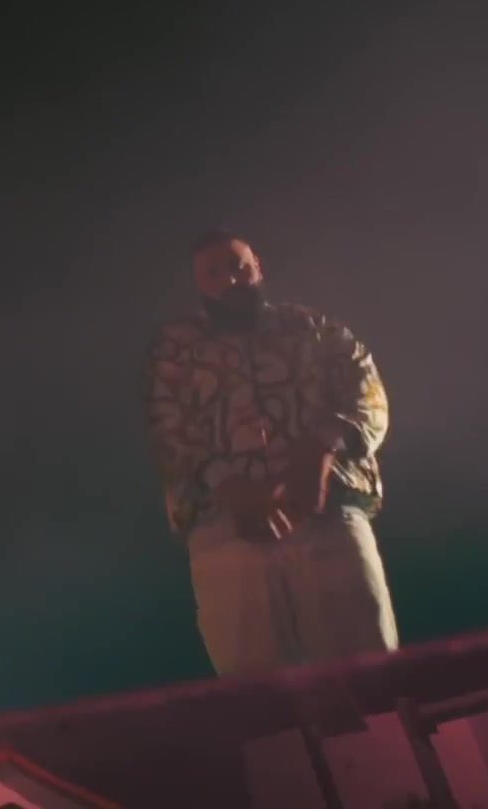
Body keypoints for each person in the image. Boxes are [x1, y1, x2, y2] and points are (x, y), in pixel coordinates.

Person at [143, 230, 398, 676]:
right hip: (223, 531)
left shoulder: (314, 329)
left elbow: (368, 396)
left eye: (238, 266)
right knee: (257, 693)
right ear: (199, 284)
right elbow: (163, 425)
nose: (230, 280)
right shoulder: (175, 351)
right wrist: (226, 484)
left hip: (328, 516)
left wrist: (322, 450)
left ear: (258, 266)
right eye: (214, 272)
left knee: (371, 675)